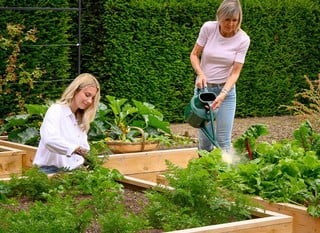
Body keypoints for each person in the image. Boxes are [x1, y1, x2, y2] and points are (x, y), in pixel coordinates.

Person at [190, 0, 250, 152]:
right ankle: (205, 175)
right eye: (227, 20)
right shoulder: (208, 28)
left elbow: (235, 72)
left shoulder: (243, 39)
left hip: (226, 92)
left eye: (234, 20)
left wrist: (223, 94)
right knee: (205, 142)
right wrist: (200, 73)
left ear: (239, 19)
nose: (230, 24)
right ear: (219, 17)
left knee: (224, 141)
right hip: (204, 91)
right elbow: (194, 54)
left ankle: (227, 175)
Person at [33, 73, 101, 174]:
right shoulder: (56, 110)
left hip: (74, 171)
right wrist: (75, 149)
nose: (89, 101)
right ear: (75, 90)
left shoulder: (80, 119)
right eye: (87, 95)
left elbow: (84, 148)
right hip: (49, 171)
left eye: (92, 98)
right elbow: (50, 140)